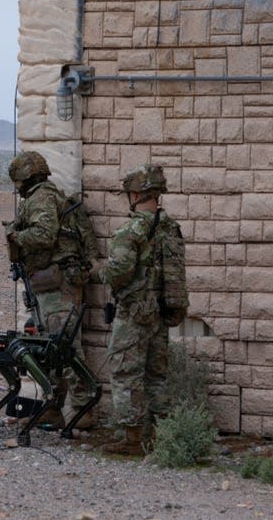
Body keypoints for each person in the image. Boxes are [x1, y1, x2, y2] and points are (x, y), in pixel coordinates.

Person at [4, 151, 97, 430]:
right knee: (51, 349)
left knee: (66, 347)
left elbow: (43, 235)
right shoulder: (45, 197)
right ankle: (53, 408)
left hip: (58, 285)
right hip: (49, 283)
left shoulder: (42, 198)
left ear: (25, 178)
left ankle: (83, 411)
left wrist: (15, 236)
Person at [101, 163, 180, 455]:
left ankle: (131, 439)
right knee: (156, 375)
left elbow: (119, 270)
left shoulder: (131, 229)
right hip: (161, 309)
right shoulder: (170, 227)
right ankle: (160, 436)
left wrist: (99, 272)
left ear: (135, 194)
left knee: (125, 372)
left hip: (134, 311)